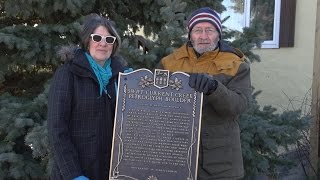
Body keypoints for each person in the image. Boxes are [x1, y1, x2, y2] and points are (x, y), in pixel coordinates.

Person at [158, 7, 251, 180]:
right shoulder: (168, 63)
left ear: (218, 34)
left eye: (209, 30)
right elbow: (154, 105)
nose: (203, 36)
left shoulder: (236, 64)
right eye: (197, 30)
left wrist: (214, 88)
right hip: (175, 158)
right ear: (190, 34)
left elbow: (239, 105)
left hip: (220, 164)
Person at [47, 14, 129, 180]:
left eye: (109, 39)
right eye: (97, 37)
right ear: (87, 41)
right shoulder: (68, 74)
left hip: (111, 171)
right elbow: (57, 130)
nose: (103, 43)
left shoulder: (122, 77)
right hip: (78, 171)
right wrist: (74, 175)